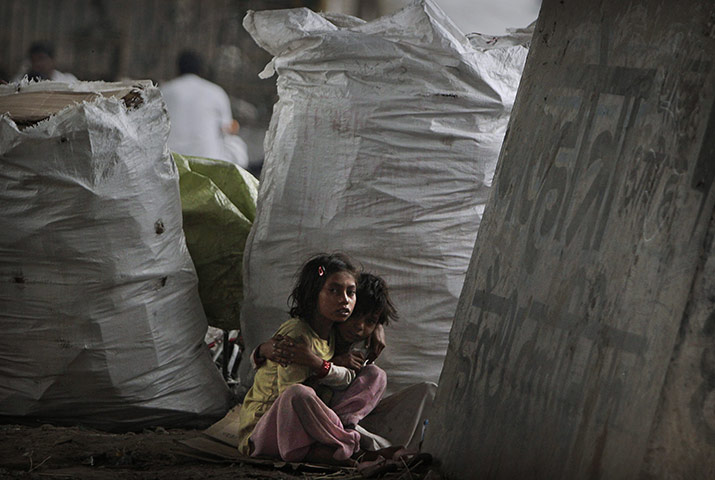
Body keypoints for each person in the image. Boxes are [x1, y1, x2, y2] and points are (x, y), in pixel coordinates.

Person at [235, 253, 387, 466]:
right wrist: (323, 367)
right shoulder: (297, 335)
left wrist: (378, 324)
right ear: (313, 294)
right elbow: (290, 401)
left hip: (308, 428)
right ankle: (346, 445)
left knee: (375, 374)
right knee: (298, 393)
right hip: (267, 431)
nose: (344, 299)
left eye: (351, 293)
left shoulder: (332, 332)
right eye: (333, 291)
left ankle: (340, 434)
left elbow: (368, 308)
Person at [160, 50, 240, 163]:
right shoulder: (216, 91)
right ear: (201, 69)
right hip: (207, 160)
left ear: (177, 68)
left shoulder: (165, 90)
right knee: (236, 144)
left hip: (171, 160)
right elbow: (227, 130)